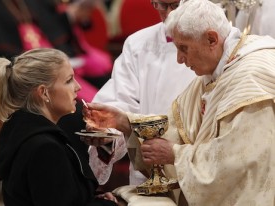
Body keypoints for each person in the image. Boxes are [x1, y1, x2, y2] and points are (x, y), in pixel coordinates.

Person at [82, 0, 275, 204]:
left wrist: (176, 154)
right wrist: (125, 122)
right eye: (159, 4)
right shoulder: (216, 68)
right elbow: (176, 125)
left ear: (212, 39)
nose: (179, 59)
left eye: (183, 48)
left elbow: (238, 160)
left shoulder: (250, 78)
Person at [87, 0, 196, 186]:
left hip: (197, 169)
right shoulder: (138, 44)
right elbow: (120, 99)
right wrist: (107, 132)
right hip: (148, 171)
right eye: (162, 5)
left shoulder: (215, 39)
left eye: (175, 6)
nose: (169, 14)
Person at [0, 48, 118, 206]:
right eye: (69, 80)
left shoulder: (20, 130)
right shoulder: (45, 148)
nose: (78, 87)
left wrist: (95, 198)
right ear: (44, 93)